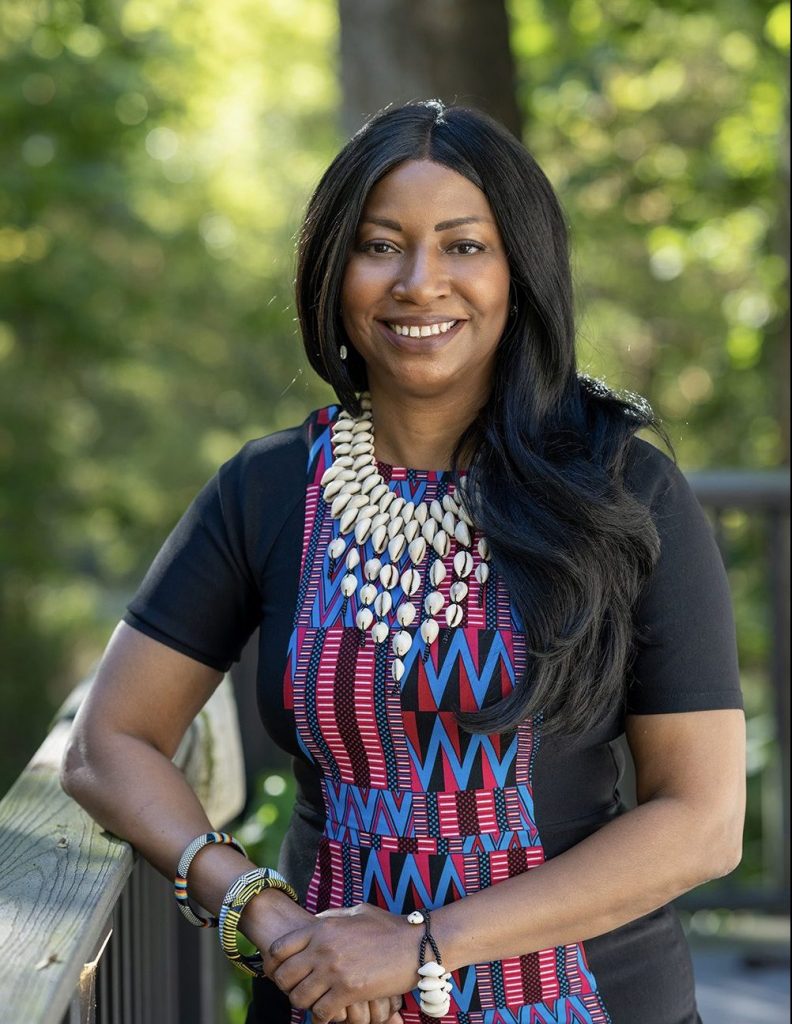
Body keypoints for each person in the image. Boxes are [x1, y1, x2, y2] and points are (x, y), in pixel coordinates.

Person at [61, 100, 746, 1024]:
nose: (422, 283)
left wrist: (423, 947)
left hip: (589, 998)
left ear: (520, 273)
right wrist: (256, 909)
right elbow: (108, 745)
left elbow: (702, 823)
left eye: (465, 246)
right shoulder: (268, 490)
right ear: (333, 270)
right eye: (381, 245)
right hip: (323, 999)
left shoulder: (622, 490)